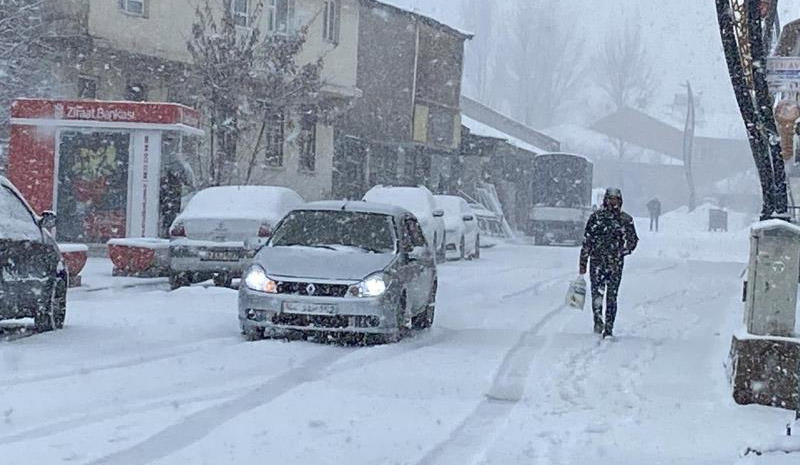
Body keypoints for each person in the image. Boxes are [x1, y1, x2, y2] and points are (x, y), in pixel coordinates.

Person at [579, 188, 639, 338]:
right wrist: (583, 262)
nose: (613, 202)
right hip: (597, 262)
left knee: (612, 296)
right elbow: (587, 241)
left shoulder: (625, 219)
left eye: (616, 199)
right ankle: (598, 320)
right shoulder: (596, 218)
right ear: (605, 200)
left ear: (620, 201)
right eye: (610, 199)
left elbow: (633, 241)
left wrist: (622, 252)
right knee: (597, 294)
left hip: (615, 264)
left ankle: (609, 327)